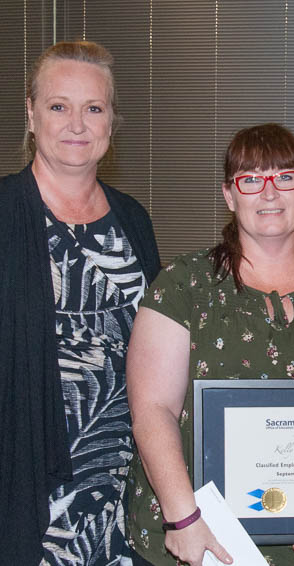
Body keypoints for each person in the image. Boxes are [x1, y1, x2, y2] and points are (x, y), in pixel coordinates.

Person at [126, 123, 294, 566]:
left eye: (285, 177)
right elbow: (153, 411)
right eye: (251, 180)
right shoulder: (183, 286)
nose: (269, 193)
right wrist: (183, 518)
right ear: (230, 196)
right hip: (197, 541)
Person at [0, 41, 161, 565]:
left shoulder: (133, 220)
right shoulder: (4, 215)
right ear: (30, 113)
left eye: (93, 108)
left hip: (128, 475)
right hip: (28, 477)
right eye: (58, 105)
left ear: (112, 121)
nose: (76, 123)